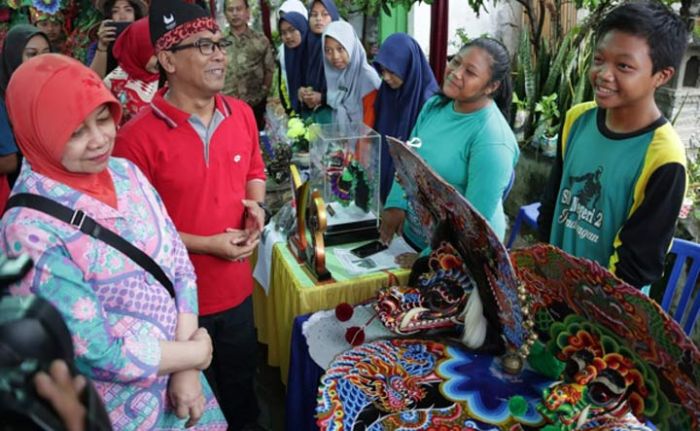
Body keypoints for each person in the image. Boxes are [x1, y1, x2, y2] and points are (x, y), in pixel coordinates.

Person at [2, 54, 227, 429]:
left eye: (103, 117)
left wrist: (187, 368)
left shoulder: (126, 173)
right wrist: (194, 353)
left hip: (187, 388)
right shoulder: (28, 231)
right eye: (74, 132)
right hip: (120, 412)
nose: (99, 140)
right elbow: (95, 352)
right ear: (35, 133)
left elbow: (178, 267)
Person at [113, 0, 267, 428]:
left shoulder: (241, 115)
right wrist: (208, 245)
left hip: (237, 293)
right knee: (189, 411)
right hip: (173, 308)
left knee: (242, 395)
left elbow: (255, 170)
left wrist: (256, 207)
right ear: (167, 60)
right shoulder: (134, 140)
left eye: (219, 44)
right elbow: (134, 236)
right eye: (203, 45)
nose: (219, 53)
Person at [537, 1, 688, 290]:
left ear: (661, 75)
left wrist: (588, 308)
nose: (604, 74)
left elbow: (638, 264)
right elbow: (553, 202)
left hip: (609, 312)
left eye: (624, 66)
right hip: (552, 287)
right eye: (598, 59)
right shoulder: (577, 120)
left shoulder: (663, 157)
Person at [380, 38, 519, 267]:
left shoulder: (493, 140)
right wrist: (395, 204)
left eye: (470, 72)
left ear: (491, 86)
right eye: (456, 61)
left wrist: (428, 258)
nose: (456, 73)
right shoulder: (435, 106)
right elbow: (408, 156)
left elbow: (473, 225)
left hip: (461, 257)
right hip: (415, 237)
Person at [373, 32, 439, 203]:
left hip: (410, 192)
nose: (386, 77)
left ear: (408, 66)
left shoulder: (428, 101)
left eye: (392, 71)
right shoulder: (386, 91)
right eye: (383, 70)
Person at [0, 25, 51, 204]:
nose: (41, 61)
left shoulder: (54, 91)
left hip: (52, 189)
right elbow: (9, 160)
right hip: (16, 193)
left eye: (46, 52)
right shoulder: (3, 96)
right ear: (14, 57)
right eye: (31, 54)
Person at [222, 0, 275, 131]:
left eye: (239, 9)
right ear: (225, 14)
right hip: (227, 106)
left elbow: (269, 69)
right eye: (230, 10)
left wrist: (263, 92)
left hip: (254, 105)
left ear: (247, 12)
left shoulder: (260, 40)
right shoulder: (219, 42)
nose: (235, 14)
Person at [322, 21, 381, 127]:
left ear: (351, 46)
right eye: (328, 50)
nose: (335, 56)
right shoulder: (336, 75)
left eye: (340, 49)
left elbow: (368, 130)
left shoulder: (368, 79)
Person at [103, 17, 159, 125]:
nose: (161, 59)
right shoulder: (114, 83)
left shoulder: (167, 74)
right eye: (154, 54)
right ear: (138, 50)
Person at [299, 0, 339, 122]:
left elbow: (349, 90)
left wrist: (322, 97)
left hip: (336, 117)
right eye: (314, 14)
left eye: (325, 14)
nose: (318, 19)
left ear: (333, 17)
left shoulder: (342, 46)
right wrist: (302, 92)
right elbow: (300, 77)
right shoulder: (305, 45)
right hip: (310, 116)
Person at [88, 0, 148, 78]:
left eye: (128, 10)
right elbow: (94, 80)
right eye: (115, 11)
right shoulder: (97, 46)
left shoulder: (148, 42)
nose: (122, 17)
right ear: (109, 17)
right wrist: (102, 47)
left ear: (136, 16)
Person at [275, 11, 308, 115]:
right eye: (283, 33)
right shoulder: (287, 55)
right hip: (297, 114)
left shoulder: (316, 54)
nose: (288, 36)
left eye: (292, 30)